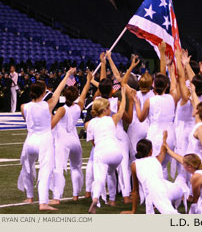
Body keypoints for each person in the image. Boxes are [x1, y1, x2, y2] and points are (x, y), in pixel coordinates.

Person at [17, 68, 75, 211]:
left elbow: (28, 121)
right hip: (44, 140)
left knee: (28, 168)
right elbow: (59, 89)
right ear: (43, 93)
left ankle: (30, 196)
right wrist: (67, 74)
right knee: (44, 171)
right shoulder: (48, 105)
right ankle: (43, 202)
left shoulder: (23, 107)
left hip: (30, 140)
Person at [49, 71, 92, 204]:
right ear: (76, 96)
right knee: (76, 167)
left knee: (59, 168)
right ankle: (75, 195)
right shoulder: (79, 107)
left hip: (62, 140)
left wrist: (48, 113)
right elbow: (84, 92)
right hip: (75, 140)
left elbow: (51, 125)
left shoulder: (62, 110)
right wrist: (89, 80)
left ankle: (57, 197)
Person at [86, 87, 126, 214]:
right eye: (108, 108)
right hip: (116, 153)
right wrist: (123, 96)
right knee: (111, 173)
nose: (110, 110)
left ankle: (96, 198)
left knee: (99, 178)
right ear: (104, 110)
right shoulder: (112, 119)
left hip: (101, 151)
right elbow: (122, 109)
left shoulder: (90, 124)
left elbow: (93, 142)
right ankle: (112, 199)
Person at [121, 133, 183, 214]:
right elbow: (163, 148)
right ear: (151, 151)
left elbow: (135, 191)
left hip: (158, 191)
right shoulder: (157, 159)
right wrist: (164, 138)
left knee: (170, 213)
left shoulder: (134, 165)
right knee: (181, 187)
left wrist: (133, 210)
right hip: (169, 188)